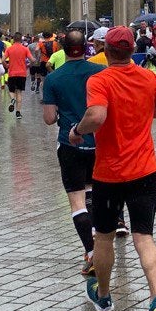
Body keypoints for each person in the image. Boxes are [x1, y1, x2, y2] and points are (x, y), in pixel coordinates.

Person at [72, 26, 156, 311]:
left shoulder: (100, 80)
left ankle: (104, 297)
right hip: (145, 171)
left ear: (106, 50)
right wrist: (145, 112)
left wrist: (78, 130)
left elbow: (97, 115)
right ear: (132, 49)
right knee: (144, 238)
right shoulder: (148, 78)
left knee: (103, 238)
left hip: (109, 174)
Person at [42, 29, 107, 275]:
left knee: (76, 200)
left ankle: (91, 253)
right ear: (86, 48)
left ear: (63, 49)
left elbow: (49, 119)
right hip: (98, 142)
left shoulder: (54, 78)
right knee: (92, 192)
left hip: (70, 144)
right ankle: (98, 242)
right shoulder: (99, 72)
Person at [3, 35, 33, 119]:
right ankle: (18, 113)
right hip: (22, 73)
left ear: (13, 40)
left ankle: (12, 99)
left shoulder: (9, 49)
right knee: (19, 92)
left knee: (11, 90)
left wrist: (7, 65)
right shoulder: (25, 49)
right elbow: (33, 60)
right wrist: (28, 65)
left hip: (12, 73)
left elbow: (2, 59)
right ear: (21, 39)